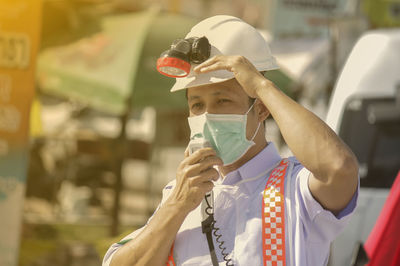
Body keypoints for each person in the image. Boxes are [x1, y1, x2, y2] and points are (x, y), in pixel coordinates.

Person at [103, 15, 359, 266]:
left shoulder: (296, 189)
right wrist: (177, 207)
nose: (207, 115)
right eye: (197, 105)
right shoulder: (182, 194)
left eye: (222, 101)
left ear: (261, 109)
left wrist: (261, 86)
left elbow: (339, 168)